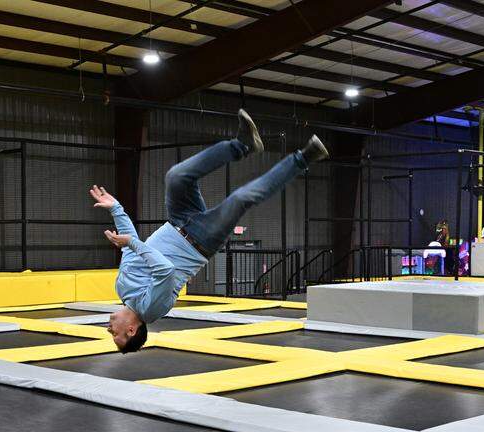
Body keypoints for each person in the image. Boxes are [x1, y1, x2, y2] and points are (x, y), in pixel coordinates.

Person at [91, 109, 328, 353]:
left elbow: (132, 252)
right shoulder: (151, 309)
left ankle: (242, 145)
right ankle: (304, 158)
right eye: (116, 336)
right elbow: (165, 269)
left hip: (178, 221)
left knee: (177, 176)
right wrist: (131, 242)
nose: (110, 330)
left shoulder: (122, 289)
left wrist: (116, 209)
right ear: (131, 330)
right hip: (200, 240)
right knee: (241, 198)